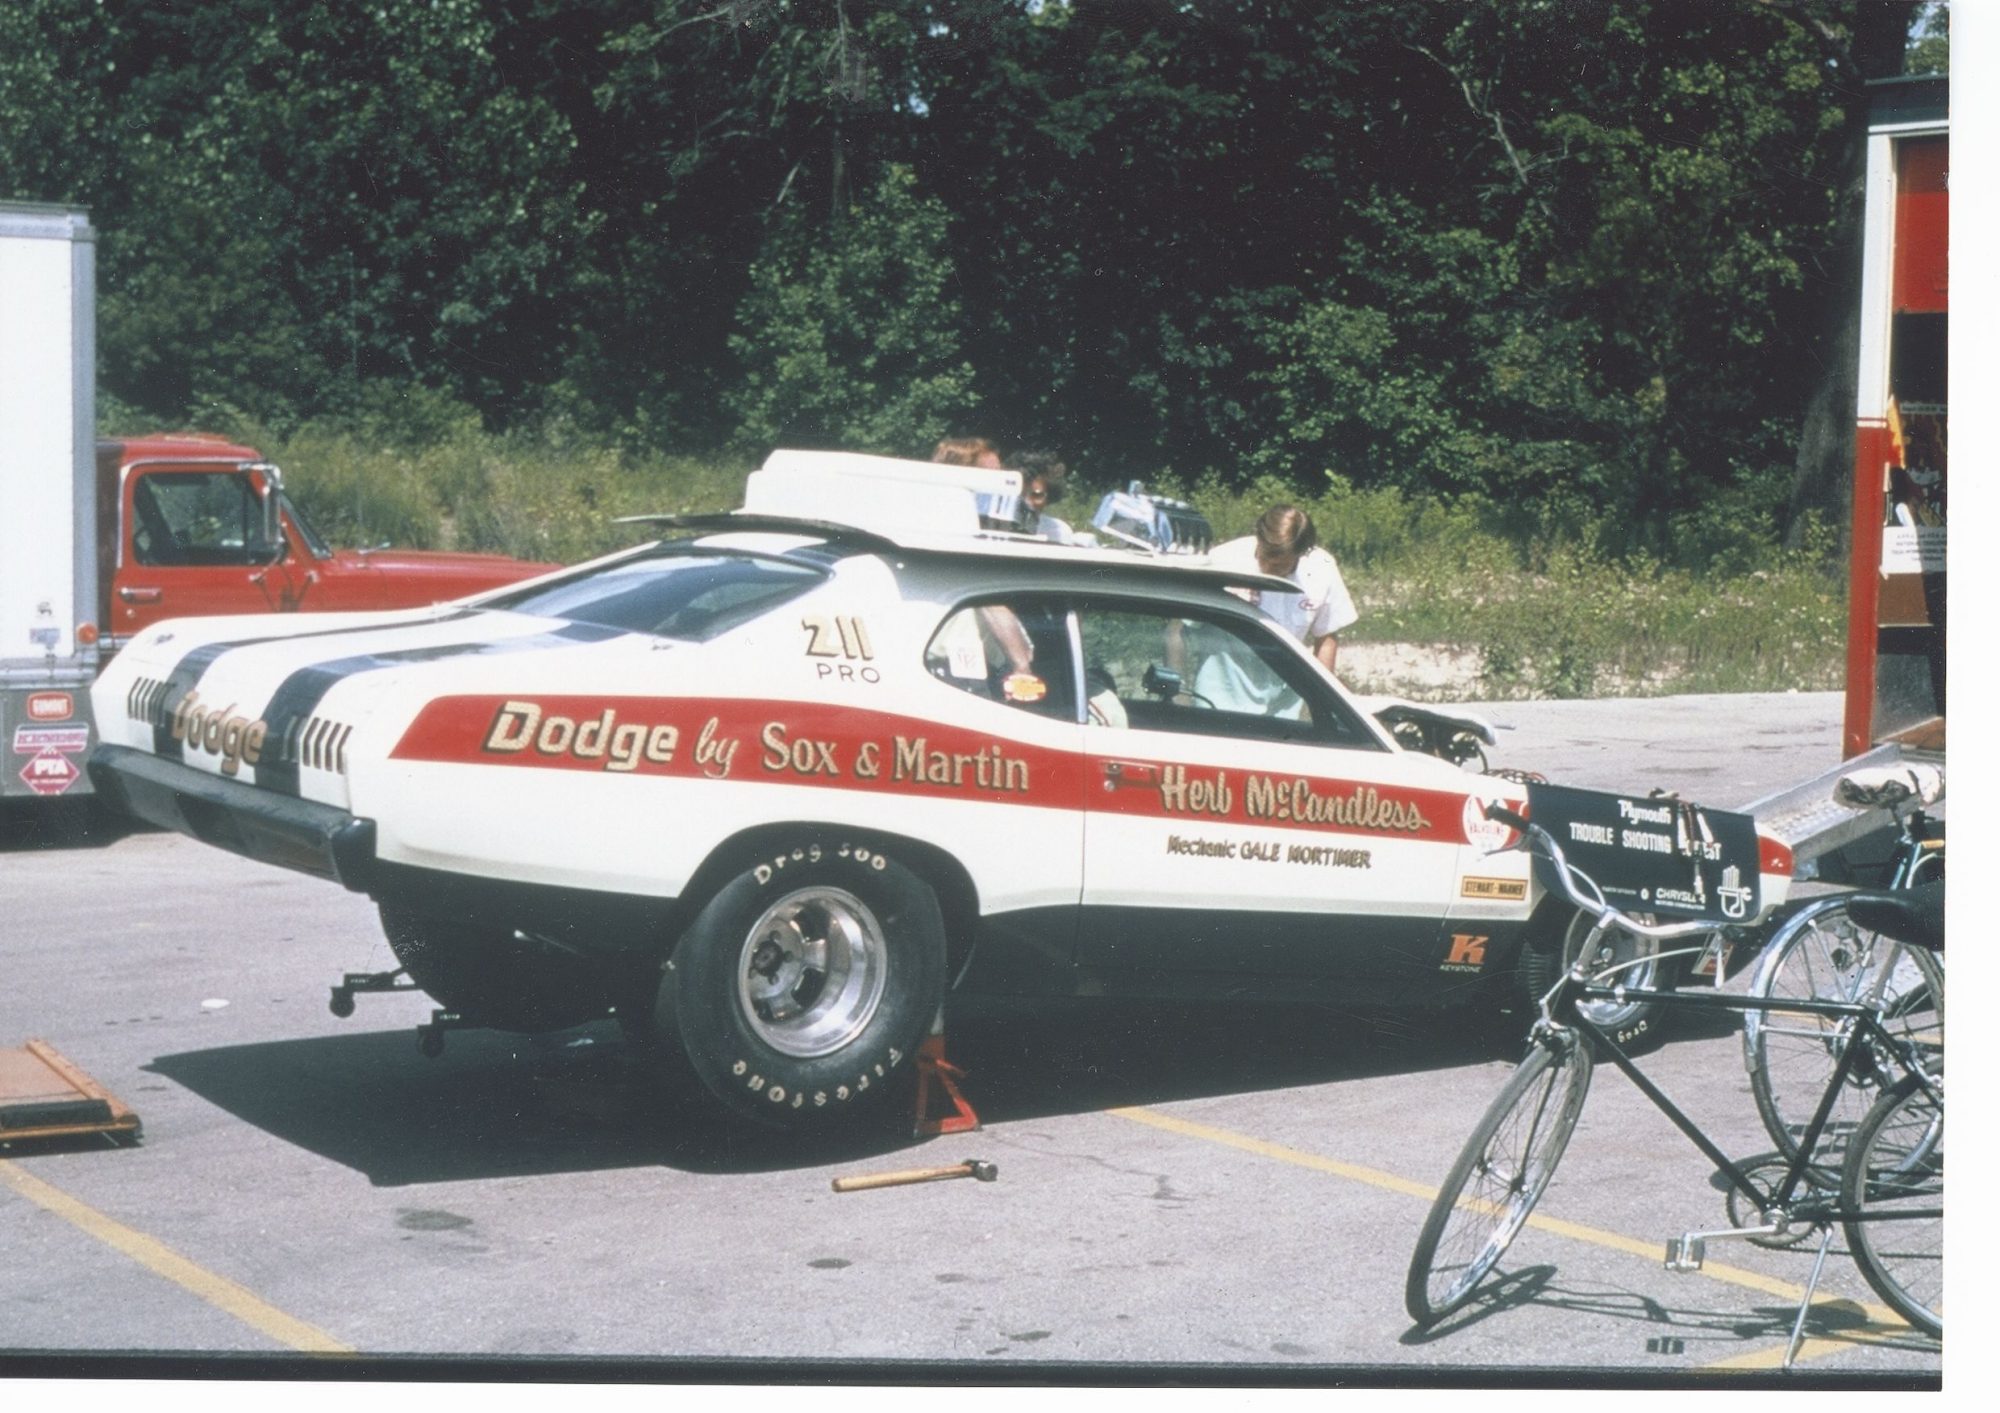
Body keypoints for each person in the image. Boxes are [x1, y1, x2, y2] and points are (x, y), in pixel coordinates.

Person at [1208, 504, 1355, 671]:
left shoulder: (1321, 567)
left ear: (1301, 553)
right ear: (1258, 538)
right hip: (1224, 679)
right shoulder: (1222, 560)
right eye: (1265, 557)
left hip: (1284, 678)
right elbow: (1186, 628)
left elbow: (1325, 636)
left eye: (1279, 565)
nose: (1270, 566)